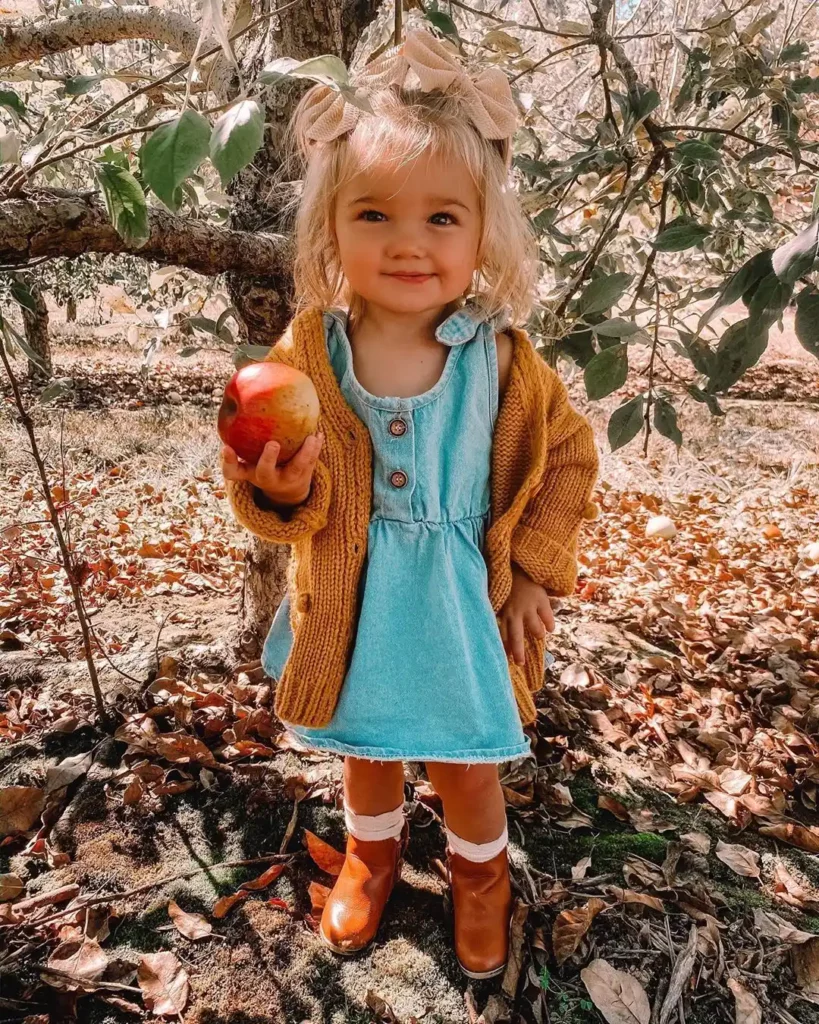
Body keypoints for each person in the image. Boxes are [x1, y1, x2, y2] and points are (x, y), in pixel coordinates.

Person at [220, 27, 599, 979]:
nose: (406, 242)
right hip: (355, 596)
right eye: (374, 214)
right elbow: (283, 494)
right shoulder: (308, 352)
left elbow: (567, 460)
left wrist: (533, 578)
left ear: (482, 231)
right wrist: (283, 490)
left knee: (466, 760)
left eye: (441, 218)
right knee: (368, 741)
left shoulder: (504, 359)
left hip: (461, 600)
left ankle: (481, 876)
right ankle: (372, 851)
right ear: (330, 227)